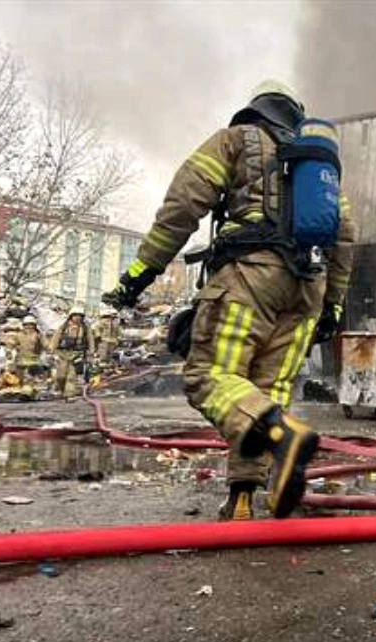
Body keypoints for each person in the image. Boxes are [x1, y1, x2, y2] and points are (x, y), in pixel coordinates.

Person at [102, 80, 355, 520]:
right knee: (263, 392)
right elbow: (345, 237)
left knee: (210, 376)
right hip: (307, 291)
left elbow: (184, 204)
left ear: (254, 107)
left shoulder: (236, 140)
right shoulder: (317, 168)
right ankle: (245, 499)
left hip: (249, 277)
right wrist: (333, 305)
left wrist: (141, 272)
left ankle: (282, 438)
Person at [48, 306, 90, 400]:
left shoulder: (85, 329)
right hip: (62, 354)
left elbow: (90, 340)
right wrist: (51, 350)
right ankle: (61, 389)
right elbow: (55, 339)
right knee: (61, 376)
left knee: (72, 376)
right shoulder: (63, 328)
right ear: (71, 316)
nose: (77, 318)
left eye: (80, 316)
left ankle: (69, 394)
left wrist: (91, 352)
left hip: (76, 354)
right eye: (75, 316)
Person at [91, 307, 122, 371]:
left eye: (115, 315)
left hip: (113, 340)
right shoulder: (101, 321)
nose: (114, 316)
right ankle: (101, 367)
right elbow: (97, 328)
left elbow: (118, 331)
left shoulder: (115, 323)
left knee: (110, 354)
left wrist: (119, 337)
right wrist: (98, 335)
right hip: (103, 340)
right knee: (103, 354)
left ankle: (108, 367)